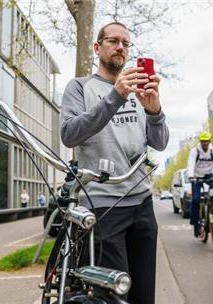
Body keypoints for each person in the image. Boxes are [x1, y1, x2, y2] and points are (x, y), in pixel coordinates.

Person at [60, 22, 169, 304]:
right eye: (113, 40)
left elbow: (159, 143)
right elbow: (69, 134)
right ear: (98, 48)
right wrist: (115, 97)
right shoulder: (80, 87)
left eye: (125, 43)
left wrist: (155, 110)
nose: (120, 46)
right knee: (113, 295)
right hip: (104, 205)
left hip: (142, 203)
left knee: (144, 293)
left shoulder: (136, 90)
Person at [186, 131, 213, 237]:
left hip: (208, 174)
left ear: (209, 141)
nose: (205, 143)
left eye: (207, 141)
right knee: (196, 199)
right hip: (196, 176)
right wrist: (191, 176)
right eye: (203, 141)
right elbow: (190, 164)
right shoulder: (195, 151)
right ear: (200, 141)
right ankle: (196, 224)